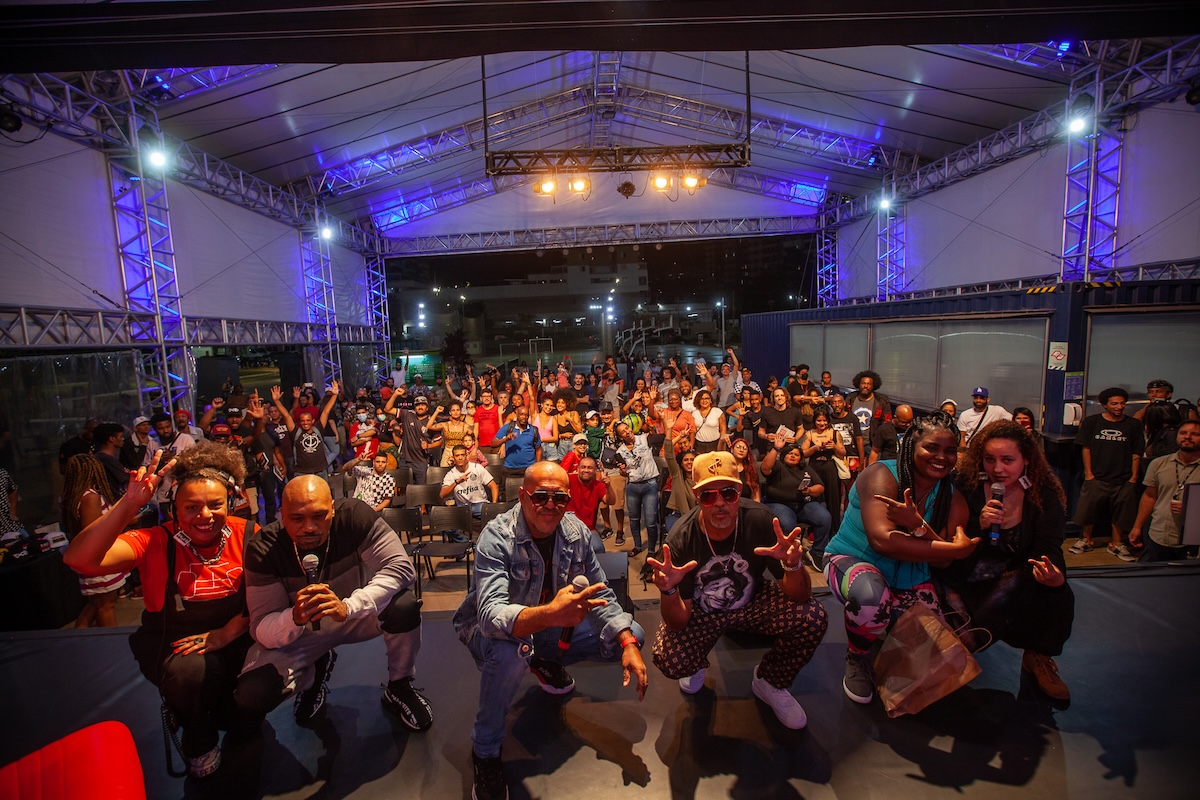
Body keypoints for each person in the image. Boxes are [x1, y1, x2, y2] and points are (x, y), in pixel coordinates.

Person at [64, 442, 258, 779]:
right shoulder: (154, 540)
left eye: (215, 505)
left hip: (236, 636)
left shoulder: (249, 535)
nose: (205, 515)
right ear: (173, 509)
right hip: (178, 645)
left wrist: (228, 632)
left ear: (230, 503)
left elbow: (273, 595)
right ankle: (197, 734)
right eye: (192, 507)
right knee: (190, 676)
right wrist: (129, 504)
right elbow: (79, 559)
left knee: (251, 705)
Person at [453, 462, 647, 800]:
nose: (550, 505)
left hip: (549, 624)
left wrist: (627, 641)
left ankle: (541, 659)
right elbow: (489, 616)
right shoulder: (497, 537)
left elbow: (600, 592)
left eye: (559, 498)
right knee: (509, 652)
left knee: (633, 633)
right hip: (495, 633)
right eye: (540, 496)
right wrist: (550, 614)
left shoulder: (576, 532)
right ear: (523, 496)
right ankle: (485, 751)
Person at [237, 476, 434, 735]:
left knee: (404, 606)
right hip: (303, 632)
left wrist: (350, 606)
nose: (309, 527)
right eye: (297, 518)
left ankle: (400, 685)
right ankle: (314, 672)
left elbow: (401, 568)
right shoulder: (263, 547)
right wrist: (294, 617)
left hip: (354, 616)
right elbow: (261, 625)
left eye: (319, 516)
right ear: (282, 515)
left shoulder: (354, 516)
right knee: (252, 693)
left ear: (332, 508)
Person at [647, 451, 827, 729]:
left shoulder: (761, 520)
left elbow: (799, 596)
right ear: (697, 497)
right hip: (702, 612)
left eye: (728, 493)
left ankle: (770, 682)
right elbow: (679, 621)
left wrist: (792, 565)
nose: (719, 502)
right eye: (709, 496)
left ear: (739, 491)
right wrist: (668, 591)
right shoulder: (681, 538)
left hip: (751, 601)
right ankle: (696, 663)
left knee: (812, 617)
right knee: (670, 659)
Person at [823, 411, 976, 705]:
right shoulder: (881, 475)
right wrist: (953, 549)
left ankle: (884, 628)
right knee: (871, 597)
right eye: (932, 447)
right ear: (910, 446)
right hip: (852, 563)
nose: (941, 457)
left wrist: (920, 527)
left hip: (910, 578)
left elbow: (942, 561)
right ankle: (857, 655)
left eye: (950, 451)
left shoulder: (951, 497)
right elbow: (882, 541)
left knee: (942, 657)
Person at [946, 420, 1074, 700]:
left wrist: (1053, 574)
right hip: (968, 570)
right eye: (989, 459)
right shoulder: (966, 485)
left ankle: (1038, 658)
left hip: (1015, 575)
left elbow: (1049, 547)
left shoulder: (1043, 494)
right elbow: (949, 539)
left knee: (1058, 593)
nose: (997, 469)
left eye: (1007, 460)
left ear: (1026, 459)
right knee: (958, 636)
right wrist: (977, 526)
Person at [1069, 387, 1144, 561]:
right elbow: (1085, 447)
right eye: (1114, 403)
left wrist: (1133, 477)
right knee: (1088, 510)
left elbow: (1137, 452)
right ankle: (1085, 540)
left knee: (1121, 512)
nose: (1119, 407)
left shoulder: (1133, 425)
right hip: (1097, 476)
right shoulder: (1092, 422)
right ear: (1105, 405)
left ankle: (1117, 544)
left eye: (1122, 403)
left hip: (1123, 478)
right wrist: (1089, 473)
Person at [62, 453, 127, 627]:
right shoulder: (90, 497)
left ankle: (79, 638)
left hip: (91, 556)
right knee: (106, 605)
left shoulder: (75, 496)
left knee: (95, 604)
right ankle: (110, 642)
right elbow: (94, 533)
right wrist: (121, 520)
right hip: (98, 559)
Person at [1129, 420, 1200, 562]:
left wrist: (1191, 509)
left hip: (1191, 541)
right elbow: (1150, 496)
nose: (1187, 437)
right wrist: (1137, 527)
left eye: (1195, 434)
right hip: (1158, 534)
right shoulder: (1158, 463)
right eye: (1183, 433)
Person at [760, 441, 833, 571]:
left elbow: (820, 486)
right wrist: (776, 448)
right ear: (783, 455)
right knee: (788, 523)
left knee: (824, 517)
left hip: (802, 504)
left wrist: (809, 490)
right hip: (778, 503)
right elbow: (765, 468)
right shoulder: (778, 466)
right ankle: (787, 554)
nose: (793, 456)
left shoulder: (806, 469)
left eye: (796, 454)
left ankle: (817, 552)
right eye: (790, 453)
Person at [271, 383, 338, 478]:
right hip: (302, 473)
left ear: (313, 421)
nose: (305, 423)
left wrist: (334, 395)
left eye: (308, 420)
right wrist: (276, 401)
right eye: (302, 421)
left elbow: (326, 411)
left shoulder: (318, 429)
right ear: (299, 422)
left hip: (320, 471)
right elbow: (286, 416)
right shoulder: (296, 432)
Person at [615, 420, 660, 559]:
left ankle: (651, 550)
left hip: (650, 485)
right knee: (634, 519)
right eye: (623, 432)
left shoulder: (645, 438)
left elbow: (664, 438)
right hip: (633, 486)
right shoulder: (620, 452)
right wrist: (622, 471)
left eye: (627, 428)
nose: (627, 432)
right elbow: (624, 473)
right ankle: (638, 546)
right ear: (620, 437)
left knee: (650, 521)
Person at [799, 405, 845, 530]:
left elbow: (842, 453)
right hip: (814, 467)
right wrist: (814, 448)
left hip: (830, 467)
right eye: (819, 420)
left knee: (833, 498)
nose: (822, 423)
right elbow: (802, 454)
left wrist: (834, 447)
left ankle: (834, 529)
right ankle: (813, 529)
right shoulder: (809, 434)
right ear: (814, 420)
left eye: (824, 420)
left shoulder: (835, 433)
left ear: (828, 421)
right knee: (814, 498)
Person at [441, 444, 499, 516]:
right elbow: (442, 494)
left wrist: (494, 505)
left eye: (462, 455)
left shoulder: (477, 468)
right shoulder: (451, 474)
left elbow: (493, 486)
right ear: (453, 457)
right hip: (462, 508)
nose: (460, 458)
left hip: (480, 504)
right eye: (457, 456)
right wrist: (456, 482)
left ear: (466, 456)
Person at [492, 405, 542, 480]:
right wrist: (505, 439)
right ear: (516, 415)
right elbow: (493, 443)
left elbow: (538, 450)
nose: (524, 417)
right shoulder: (508, 427)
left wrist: (537, 466)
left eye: (526, 415)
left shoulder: (533, 430)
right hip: (510, 469)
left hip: (528, 469)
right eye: (521, 414)